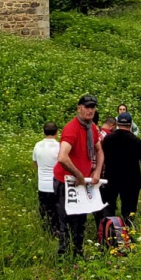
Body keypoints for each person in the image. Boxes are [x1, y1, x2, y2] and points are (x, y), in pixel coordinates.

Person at [53, 94, 104, 259]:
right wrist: (78, 174)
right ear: (79, 108)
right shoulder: (72, 129)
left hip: (83, 181)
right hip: (66, 182)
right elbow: (62, 157)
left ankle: (78, 254)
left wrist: (96, 172)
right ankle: (63, 257)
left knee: (81, 220)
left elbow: (99, 150)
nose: (90, 110)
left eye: (92, 107)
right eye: (87, 107)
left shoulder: (92, 128)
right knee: (66, 221)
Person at [101, 111, 141, 227]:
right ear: (130, 124)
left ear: (117, 124)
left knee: (109, 206)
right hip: (131, 180)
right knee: (129, 209)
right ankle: (128, 231)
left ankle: (108, 231)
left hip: (111, 178)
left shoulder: (108, 138)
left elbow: (102, 156)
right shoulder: (135, 140)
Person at [32, 122, 60, 235]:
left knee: (44, 209)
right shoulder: (60, 146)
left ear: (43, 132)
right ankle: (57, 230)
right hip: (56, 184)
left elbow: (35, 163)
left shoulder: (38, 145)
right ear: (57, 133)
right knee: (56, 210)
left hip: (42, 184)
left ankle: (46, 231)